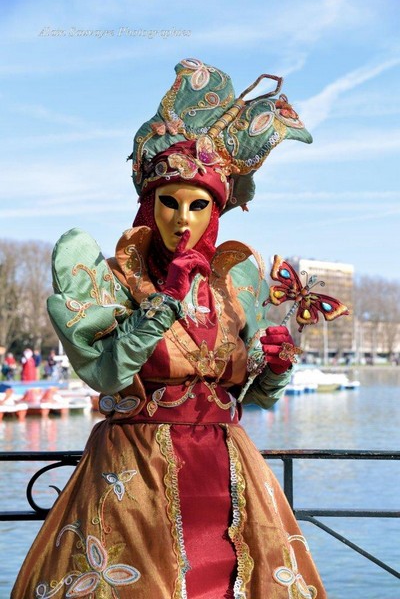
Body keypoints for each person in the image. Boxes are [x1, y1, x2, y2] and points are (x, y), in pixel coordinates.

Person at [12, 59, 326, 598]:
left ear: (217, 211)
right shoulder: (113, 280)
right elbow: (105, 375)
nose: (183, 220)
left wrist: (272, 366)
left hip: (228, 475)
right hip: (137, 475)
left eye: (198, 205)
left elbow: (254, 398)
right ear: (147, 205)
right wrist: (160, 306)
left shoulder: (235, 286)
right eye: (170, 203)